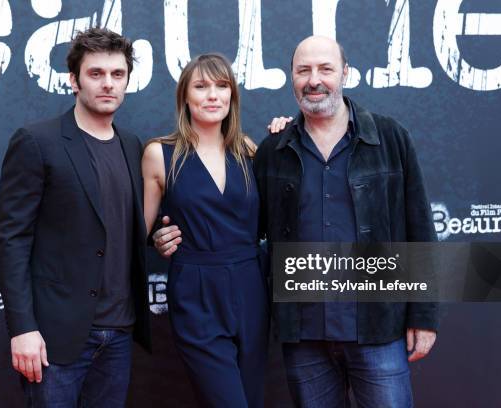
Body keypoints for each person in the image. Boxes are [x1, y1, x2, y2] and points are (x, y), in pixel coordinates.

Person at [155, 36, 439, 407]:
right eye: (303, 70)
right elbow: (239, 225)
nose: (314, 79)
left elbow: (419, 227)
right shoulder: (274, 149)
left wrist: (424, 314)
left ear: (346, 73)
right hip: (305, 336)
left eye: (326, 69)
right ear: (292, 79)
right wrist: (167, 234)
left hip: (376, 327)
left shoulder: (389, 138)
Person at [0, 27, 150, 407]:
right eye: (95, 74)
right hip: (54, 338)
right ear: (73, 80)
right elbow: (11, 240)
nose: (107, 84)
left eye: (117, 75)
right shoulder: (37, 142)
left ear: (128, 80)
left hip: (118, 333)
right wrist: (23, 329)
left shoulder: (132, 145)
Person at [142, 53, 269, 408]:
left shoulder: (251, 151)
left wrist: (283, 136)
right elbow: (140, 231)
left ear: (232, 96)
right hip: (195, 291)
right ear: (185, 96)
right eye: (201, 86)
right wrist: (156, 238)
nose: (213, 95)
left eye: (221, 86)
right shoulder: (160, 154)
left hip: (251, 288)